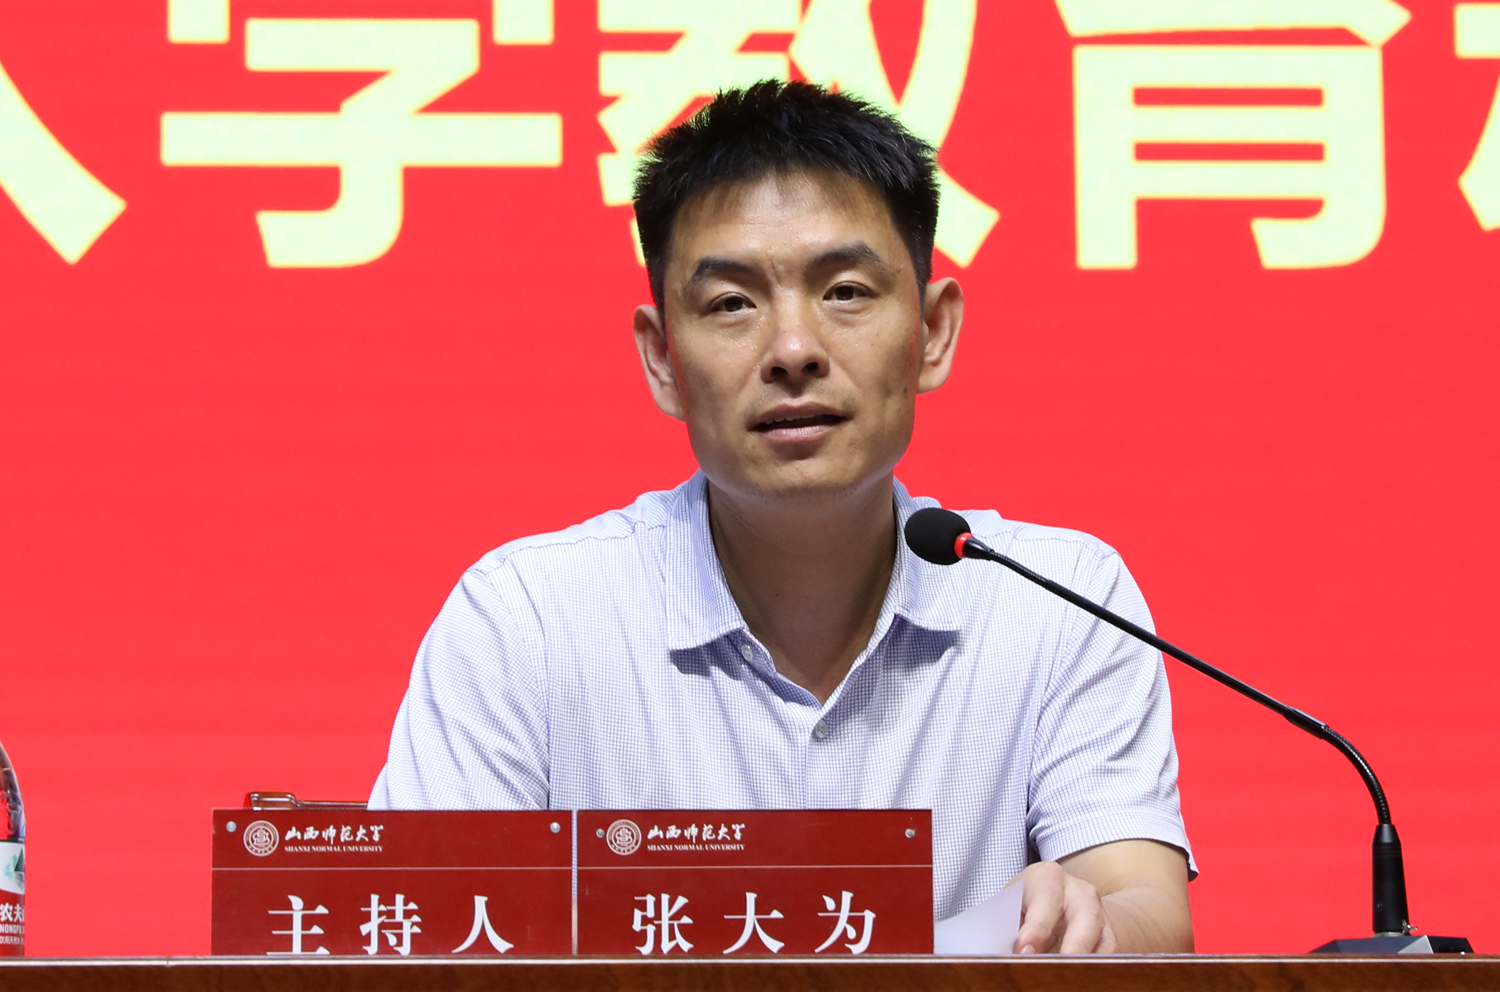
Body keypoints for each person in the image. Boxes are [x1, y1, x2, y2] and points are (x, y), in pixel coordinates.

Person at [371, 80, 1194, 954]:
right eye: (732, 303)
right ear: (662, 359)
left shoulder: (1059, 603)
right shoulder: (526, 619)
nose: (793, 350)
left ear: (932, 333)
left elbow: (1150, 912)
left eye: (845, 291)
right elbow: (419, 939)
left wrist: (1081, 922)